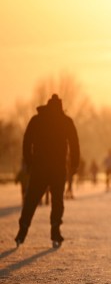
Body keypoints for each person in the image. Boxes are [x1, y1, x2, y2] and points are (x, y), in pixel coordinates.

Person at [15, 94, 80, 248]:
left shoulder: (37, 120)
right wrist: (74, 165)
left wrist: (29, 161)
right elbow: (74, 144)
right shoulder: (65, 121)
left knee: (31, 200)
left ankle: (22, 232)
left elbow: (27, 141)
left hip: (39, 167)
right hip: (57, 168)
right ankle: (55, 232)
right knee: (57, 201)